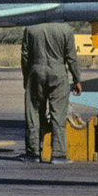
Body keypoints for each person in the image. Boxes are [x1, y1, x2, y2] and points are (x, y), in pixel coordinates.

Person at [21, 21, 82, 162]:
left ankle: (33, 152)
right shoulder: (66, 29)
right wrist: (77, 79)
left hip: (36, 70)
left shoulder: (30, 28)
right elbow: (71, 57)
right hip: (58, 71)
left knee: (34, 113)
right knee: (58, 114)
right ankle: (58, 154)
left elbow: (25, 56)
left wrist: (27, 78)